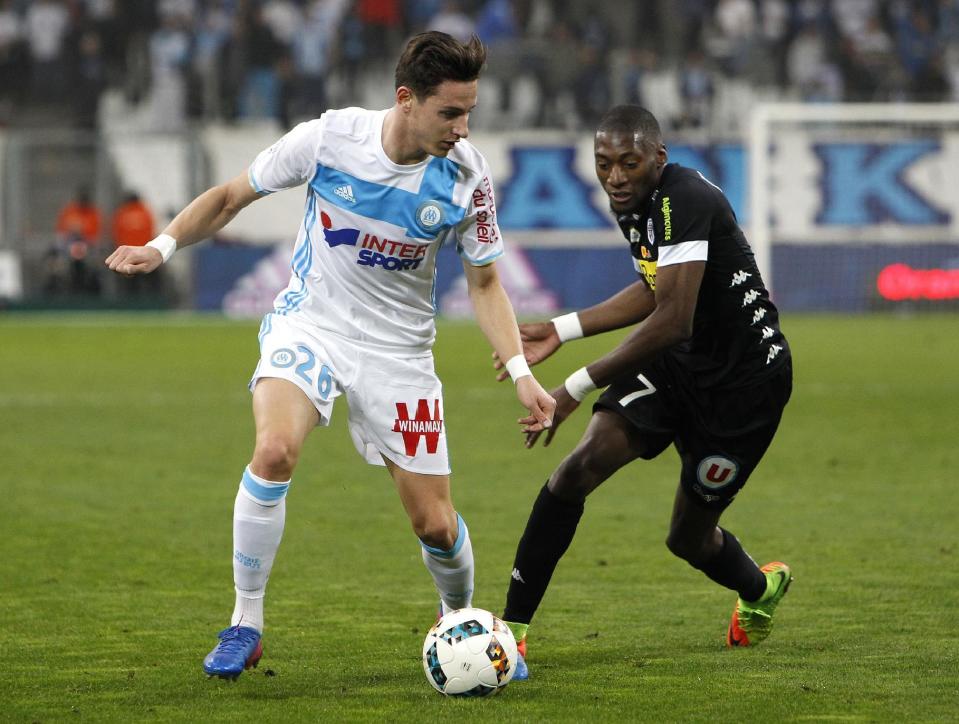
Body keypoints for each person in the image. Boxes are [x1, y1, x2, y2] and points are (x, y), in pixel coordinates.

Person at [106, 31, 555, 680]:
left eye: (468, 113)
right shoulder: (329, 139)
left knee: (433, 523)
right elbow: (232, 196)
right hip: (310, 325)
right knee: (274, 451)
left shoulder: (465, 176)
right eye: (450, 112)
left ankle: (460, 626)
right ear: (406, 99)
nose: (462, 128)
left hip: (398, 353)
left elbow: (485, 283)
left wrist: (518, 372)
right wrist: (162, 247)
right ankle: (245, 621)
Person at [495, 105, 793, 680]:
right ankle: (513, 632)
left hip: (743, 387)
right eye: (604, 164)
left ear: (659, 157)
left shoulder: (687, 199)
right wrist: (563, 328)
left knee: (688, 538)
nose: (615, 177)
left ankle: (760, 587)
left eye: (629, 163)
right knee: (577, 468)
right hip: (678, 366)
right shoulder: (634, 202)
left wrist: (576, 385)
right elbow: (656, 285)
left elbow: (672, 316)